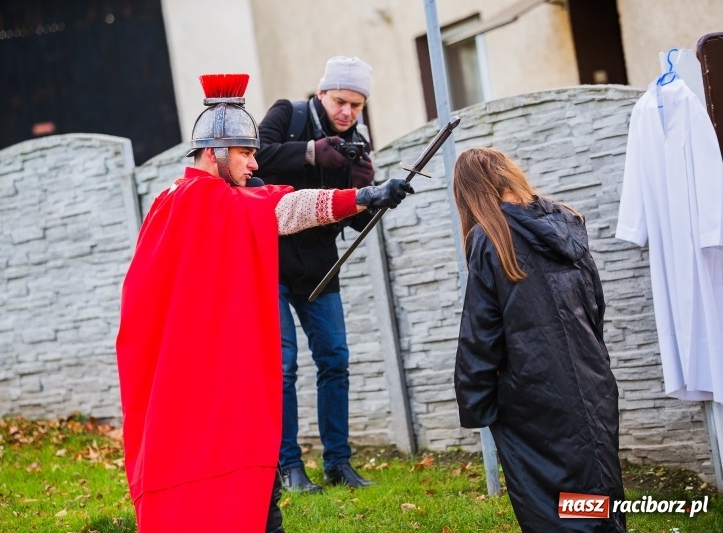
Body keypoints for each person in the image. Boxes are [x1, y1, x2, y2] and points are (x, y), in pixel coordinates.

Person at [115, 73, 413, 533]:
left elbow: (280, 208)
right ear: (215, 153)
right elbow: (286, 210)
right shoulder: (208, 203)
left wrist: (361, 196)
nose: (254, 164)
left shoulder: (172, 199)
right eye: (245, 153)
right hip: (202, 369)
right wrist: (362, 197)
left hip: (192, 365)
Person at [451, 147, 626, 532]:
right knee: (594, 480)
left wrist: (476, 402)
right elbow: (594, 304)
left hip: (534, 392)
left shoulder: (490, 237)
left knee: (551, 497)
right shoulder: (567, 222)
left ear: (471, 194)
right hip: (591, 379)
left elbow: (481, 333)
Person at [255, 56, 377, 493]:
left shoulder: (357, 142)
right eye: (341, 101)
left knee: (335, 359)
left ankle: (338, 463)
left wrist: (372, 197)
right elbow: (254, 160)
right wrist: (310, 153)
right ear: (322, 94)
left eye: (357, 106)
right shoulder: (287, 114)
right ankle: (289, 467)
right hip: (268, 262)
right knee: (282, 365)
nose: (347, 112)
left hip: (319, 267)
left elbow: (352, 220)